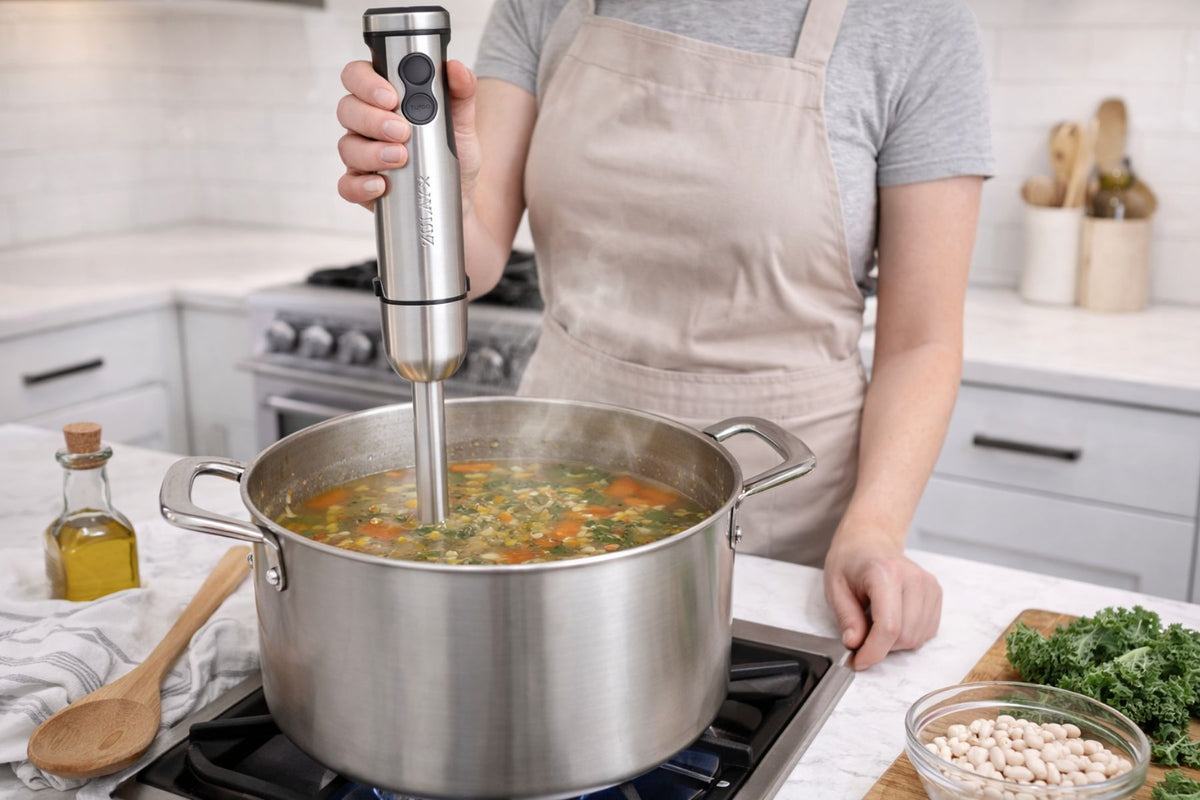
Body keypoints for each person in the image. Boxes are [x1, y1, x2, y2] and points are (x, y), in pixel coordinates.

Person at [334, 0, 993, 669]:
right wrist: (433, 190)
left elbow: (921, 342)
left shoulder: (914, 19)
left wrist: (875, 532)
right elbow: (469, 264)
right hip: (549, 486)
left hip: (780, 522)